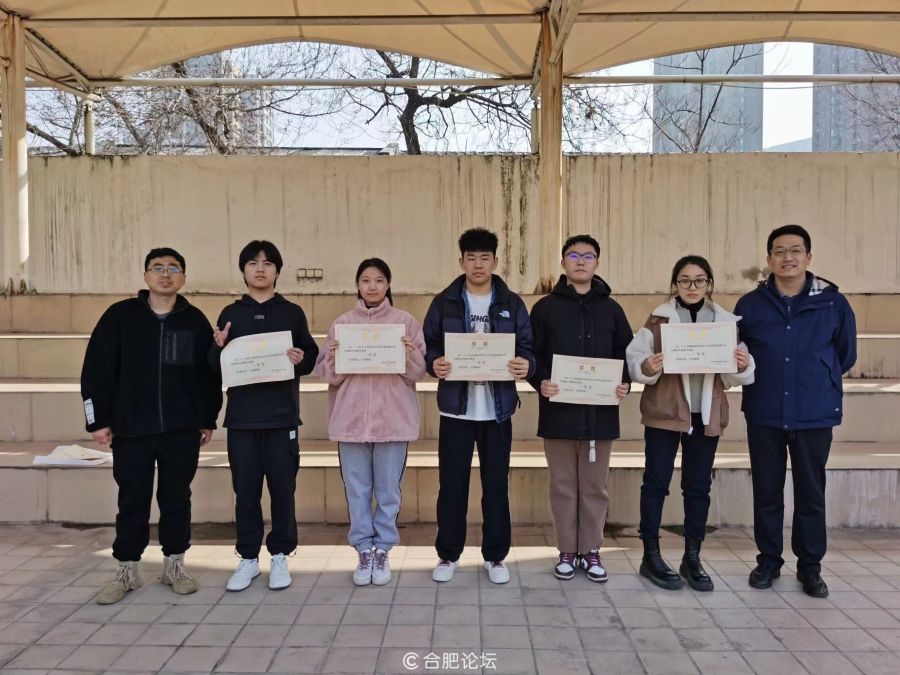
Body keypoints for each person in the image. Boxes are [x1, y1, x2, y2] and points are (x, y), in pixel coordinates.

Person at [81, 247, 222, 605]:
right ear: (145, 276)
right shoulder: (120, 316)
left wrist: (207, 417)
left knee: (177, 498)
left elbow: (208, 374)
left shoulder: (194, 320)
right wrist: (98, 419)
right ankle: (127, 569)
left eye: (173, 268)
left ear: (183, 278)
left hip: (181, 428)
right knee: (132, 499)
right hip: (132, 428)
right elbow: (97, 369)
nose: (165, 274)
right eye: (157, 268)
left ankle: (174, 565)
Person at [735, 225, 856, 598]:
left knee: (811, 493)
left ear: (808, 257)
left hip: (813, 411)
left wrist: (814, 378)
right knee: (766, 491)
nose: (788, 257)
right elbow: (737, 356)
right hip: (765, 411)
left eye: (795, 250)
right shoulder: (750, 305)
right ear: (768, 259)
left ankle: (810, 567)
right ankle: (768, 561)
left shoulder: (833, 303)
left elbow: (845, 354)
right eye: (779, 251)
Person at [626, 255, 755, 591]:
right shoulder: (659, 319)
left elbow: (733, 375)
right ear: (675, 284)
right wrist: (647, 367)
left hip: (706, 415)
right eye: (685, 280)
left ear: (709, 283)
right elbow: (635, 358)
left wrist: (742, 364)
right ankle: (651, 555)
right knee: (655, 483)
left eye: (699, 280)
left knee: (698, 487)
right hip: (665, 413)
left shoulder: (725, 322)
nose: (692, 286)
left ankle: (692, 557)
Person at [424, 227, 535, 584]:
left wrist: (526, 364)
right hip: (456, 409)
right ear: (461, 262)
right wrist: (434, 362)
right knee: (451, 486)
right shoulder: (444, 302)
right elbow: (429, 345)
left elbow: (527, 347)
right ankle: (448, 554)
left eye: (484, 258)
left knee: (496, 486)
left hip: (497, 410)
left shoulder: (511, 303)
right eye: (470, 258)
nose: (477, 265)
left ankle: (495, 556)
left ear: (495, 262)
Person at [210, 240, 319, 592]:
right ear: (243, 270)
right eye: (253, 263)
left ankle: (281, 555)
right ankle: (247, 558)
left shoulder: (291, 312)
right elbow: (214, 366)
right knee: (245, 493)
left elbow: (310, 357)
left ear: (277, 271)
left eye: (268, 263)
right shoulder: (231, 313)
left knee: (283, 491)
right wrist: (217, 347)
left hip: (281, 418)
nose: (260, 268)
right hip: (242, 420)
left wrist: (299, 358)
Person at [315, 258, 426, 586]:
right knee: (357, 490)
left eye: (379, 280)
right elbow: (328, 376)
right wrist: (333, 357)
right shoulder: (342, 324)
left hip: (393, 421)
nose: (372, 286)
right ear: (358, 285)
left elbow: (417, 373)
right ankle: (364, 548)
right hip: (351, 422)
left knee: (388, 490)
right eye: (366, 280)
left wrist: (409, 353)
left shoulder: (405, 323)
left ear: (388, 285)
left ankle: (383, 548)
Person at [528, 234, 632, 583]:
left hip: (599, 416)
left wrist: (624, 382)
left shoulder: (612, 309)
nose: (581, 261)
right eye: (573, 255)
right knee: (562, 486)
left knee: (594, 487)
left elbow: (626, 355)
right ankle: (566, 551)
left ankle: (590, 550)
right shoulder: (545, 308)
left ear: (597, 263)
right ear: (563, 263)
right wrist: (540, 380)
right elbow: (532, 355)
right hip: (558, 413)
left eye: (588, 256)